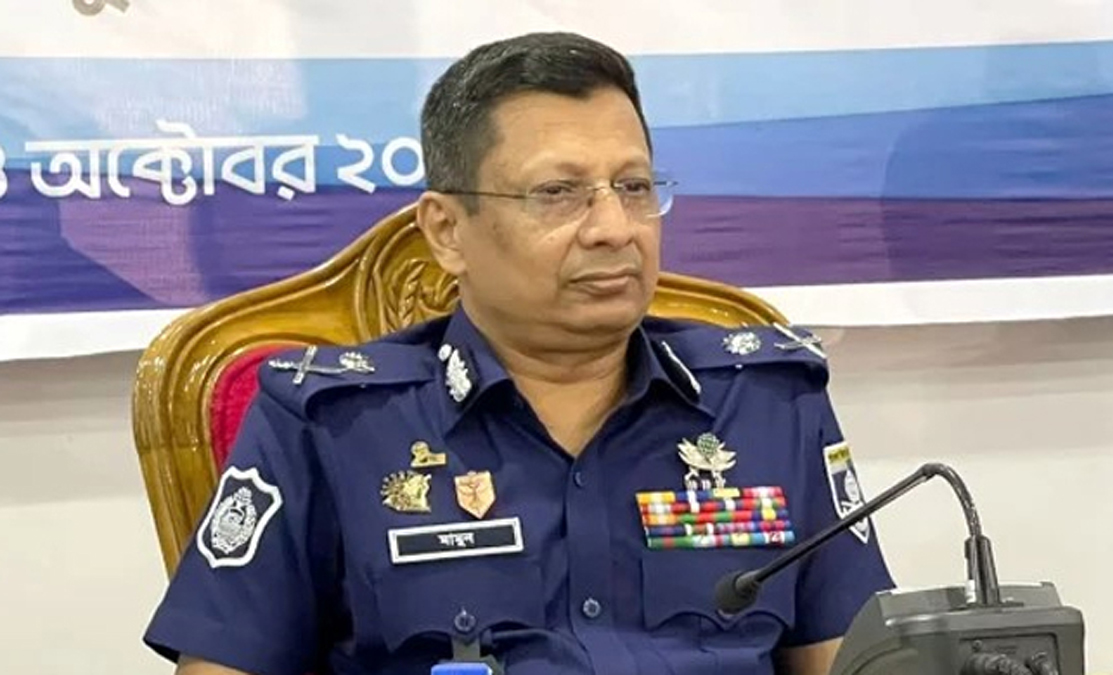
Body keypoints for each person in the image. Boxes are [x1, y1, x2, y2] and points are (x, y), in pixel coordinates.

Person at [142, 31, 895, 675]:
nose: (615, 228)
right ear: (446, 232)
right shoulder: (332, 424)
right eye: (558, 193)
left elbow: (852, 659)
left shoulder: (767, 403)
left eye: (634, 186)